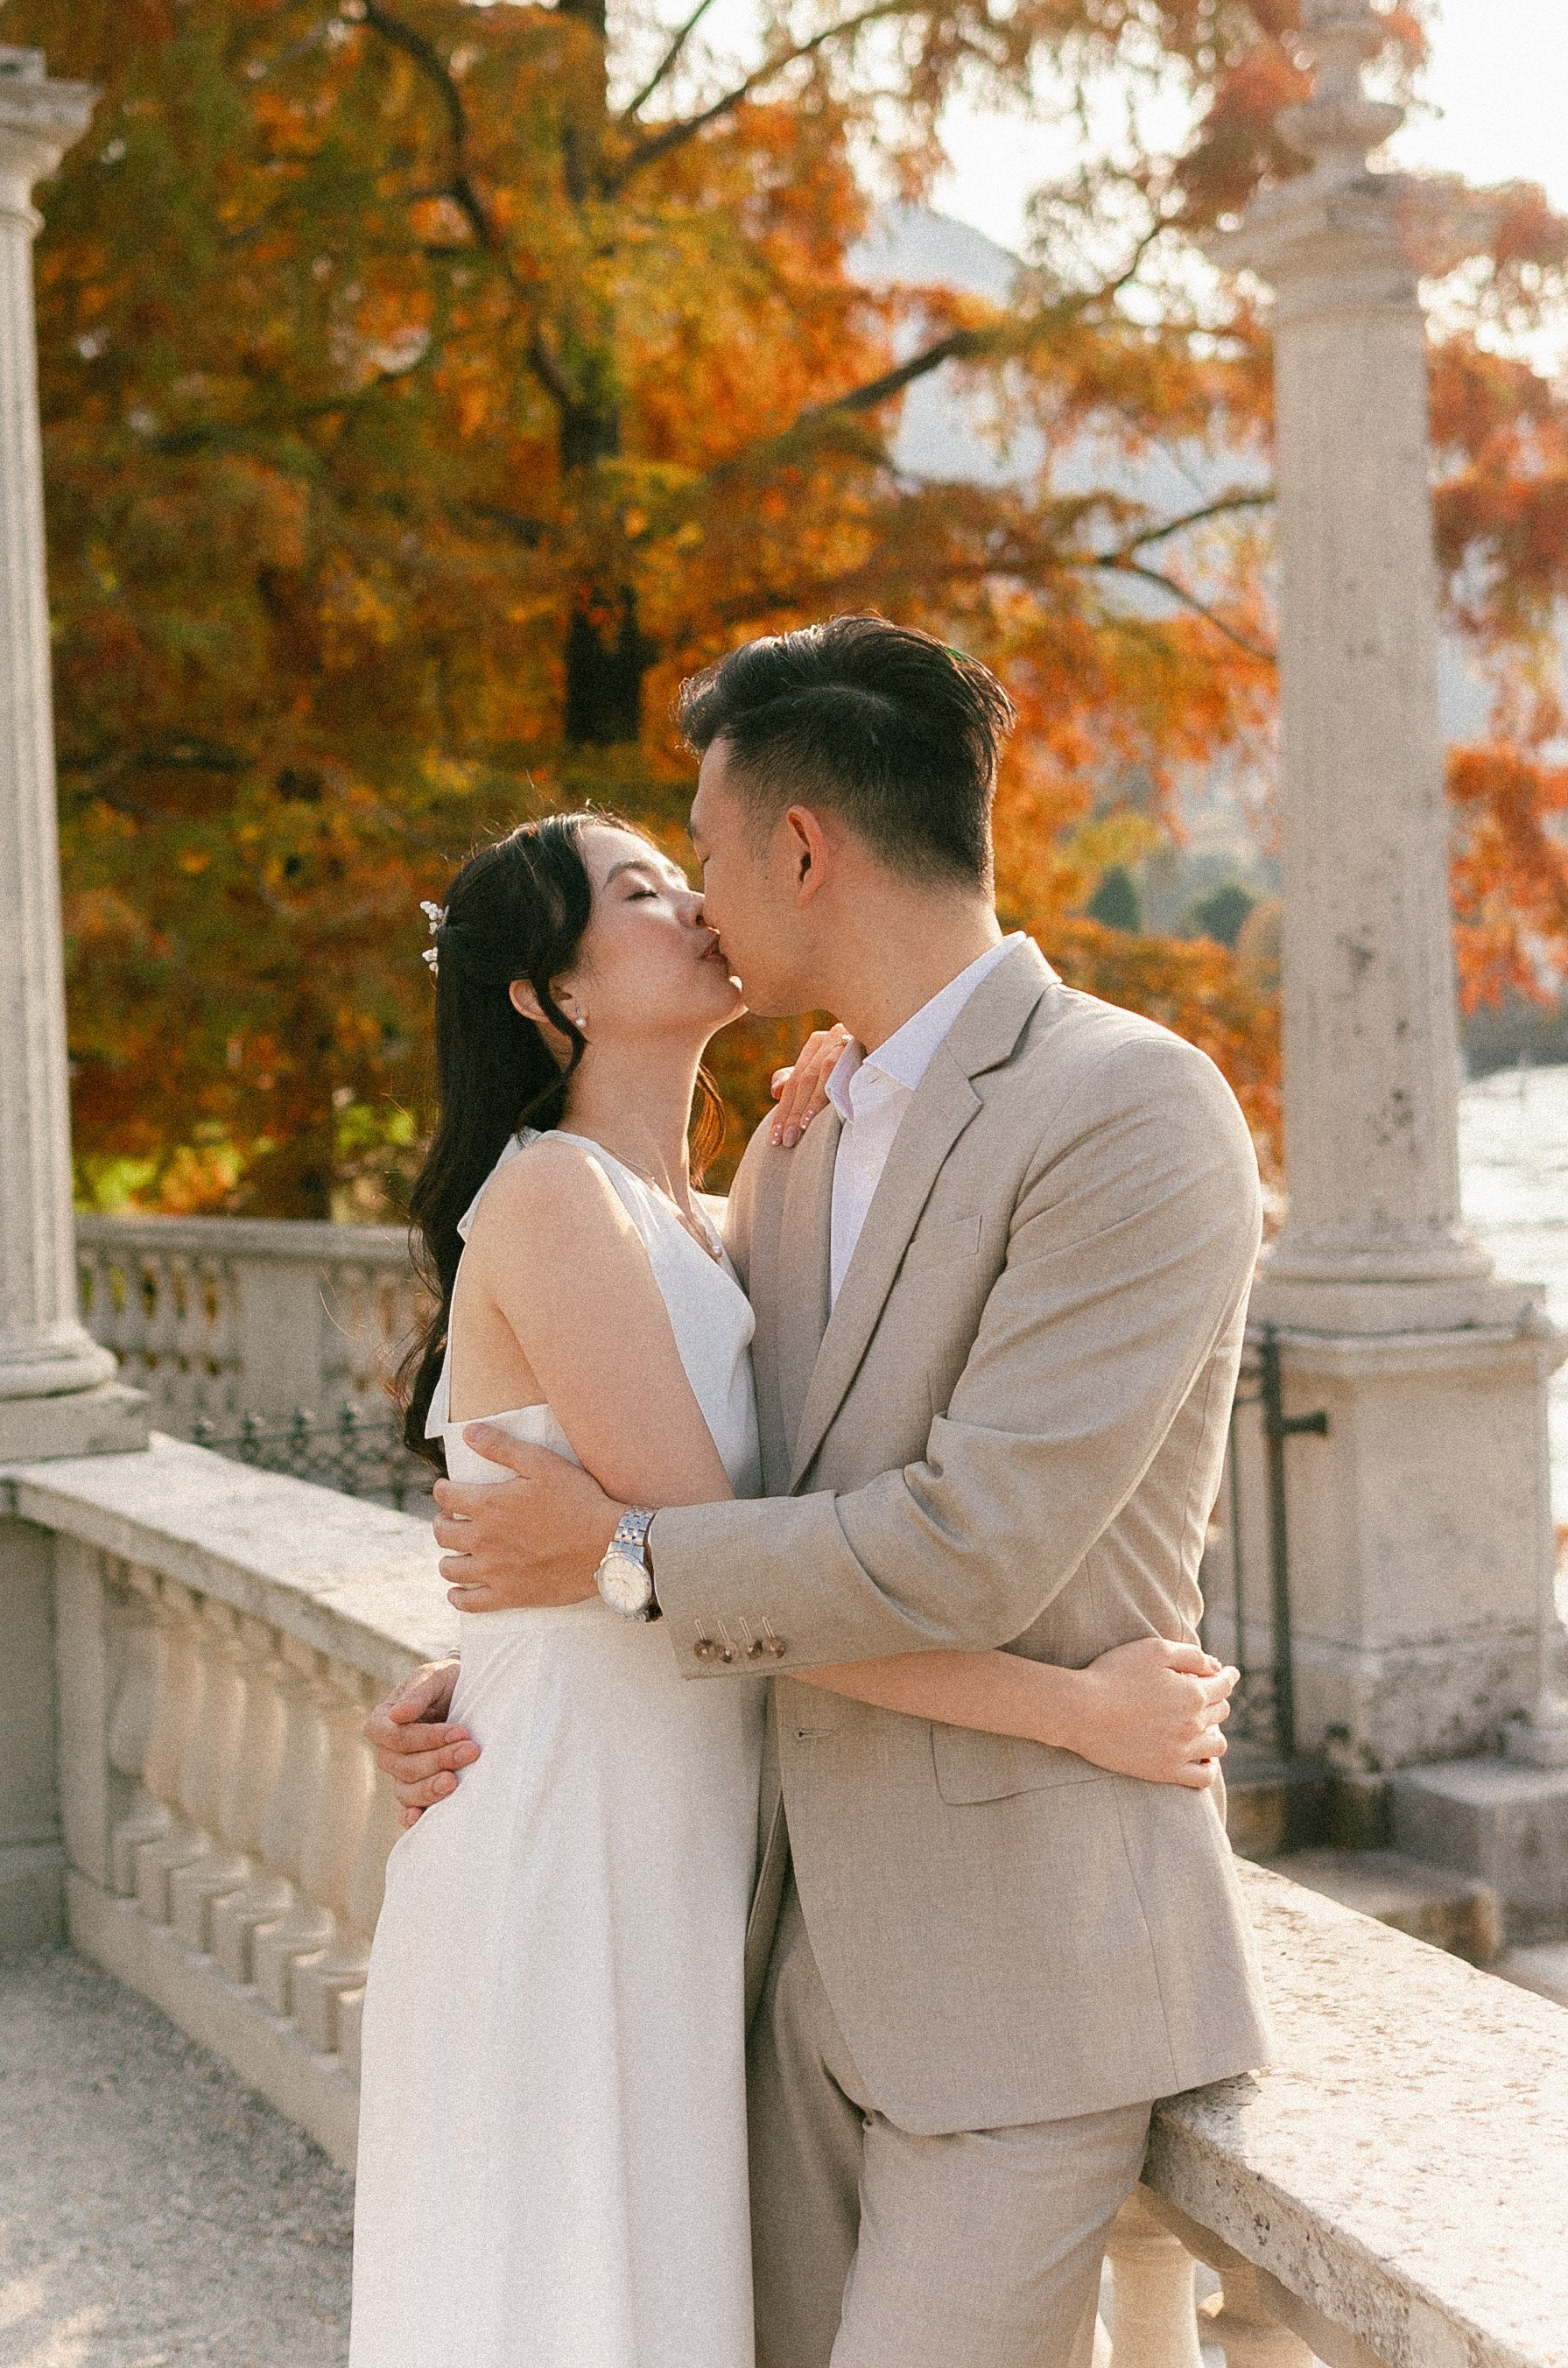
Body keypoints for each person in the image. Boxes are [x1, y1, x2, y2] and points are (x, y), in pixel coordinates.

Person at [365, 615, 1274, 2368]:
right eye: (651, 883)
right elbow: (672, 1494)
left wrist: (614, 1567)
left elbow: (959, 1543)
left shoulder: (1127, 1109)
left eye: (693, 852)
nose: (697, 897)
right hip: (757, 1966)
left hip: (1015, 1986)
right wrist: (482, 1676)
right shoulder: (792, 1150)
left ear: (799, 849)